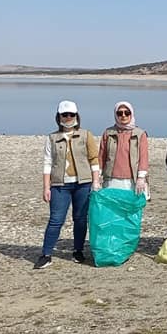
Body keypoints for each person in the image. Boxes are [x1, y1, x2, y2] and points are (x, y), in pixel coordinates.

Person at [36, 100, 101, 269]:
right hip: (59, 185)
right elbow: (47, 163)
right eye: (65, 115)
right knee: (56, 219)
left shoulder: (85, 135)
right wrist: (46, 187)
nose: (68, 117)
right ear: (59, 117)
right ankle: (46, 254)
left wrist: (95, 181)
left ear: (76, 116)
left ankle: (78, 251)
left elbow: (94, 159)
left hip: (83, 184)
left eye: (71, 114)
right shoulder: (52, 138)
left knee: (80, 219)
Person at [99, 101, 150, 196]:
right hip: (111, 180)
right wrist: (97, 176)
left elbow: (143, 158)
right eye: (119, 113)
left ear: (131, 114)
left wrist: (141, 178)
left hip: (132, 180)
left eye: (127, 113)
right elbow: (102, 156)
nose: (123, 115)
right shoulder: (108, 133)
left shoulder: (140, 134)